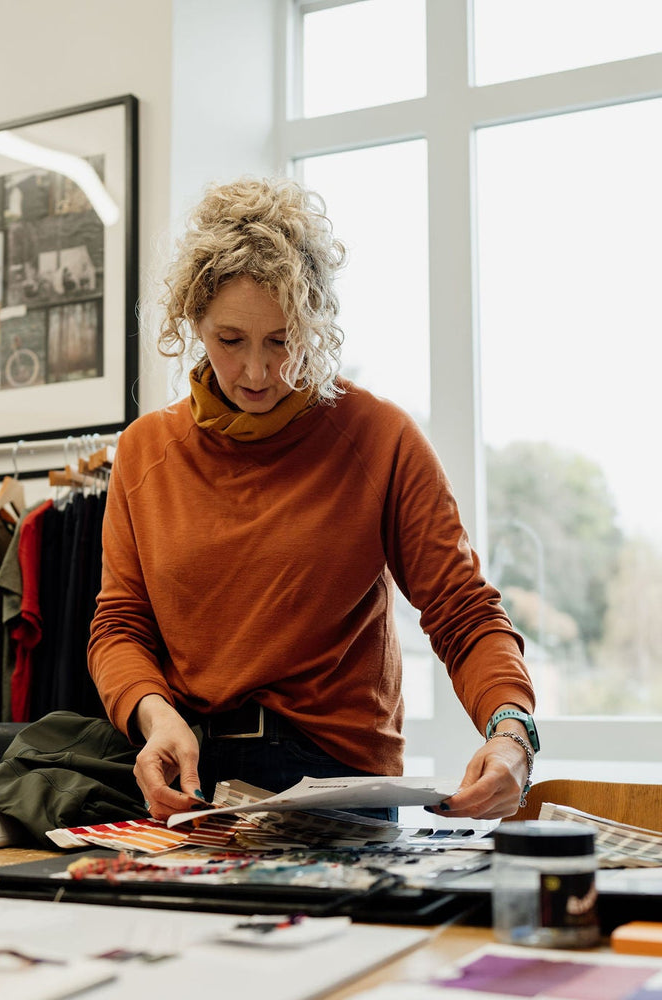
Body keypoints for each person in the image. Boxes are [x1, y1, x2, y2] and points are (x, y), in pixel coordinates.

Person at [88, 176, 537, 823]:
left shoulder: (378, 438)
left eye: (282, 339)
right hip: (191, 773)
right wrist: (154, 715)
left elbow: (464, 613)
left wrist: (511, 733)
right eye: (231, 340)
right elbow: (118, 627)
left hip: (336, 785)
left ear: (316, 321)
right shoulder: (145, 451)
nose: (257, 372)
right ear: (193, 323)